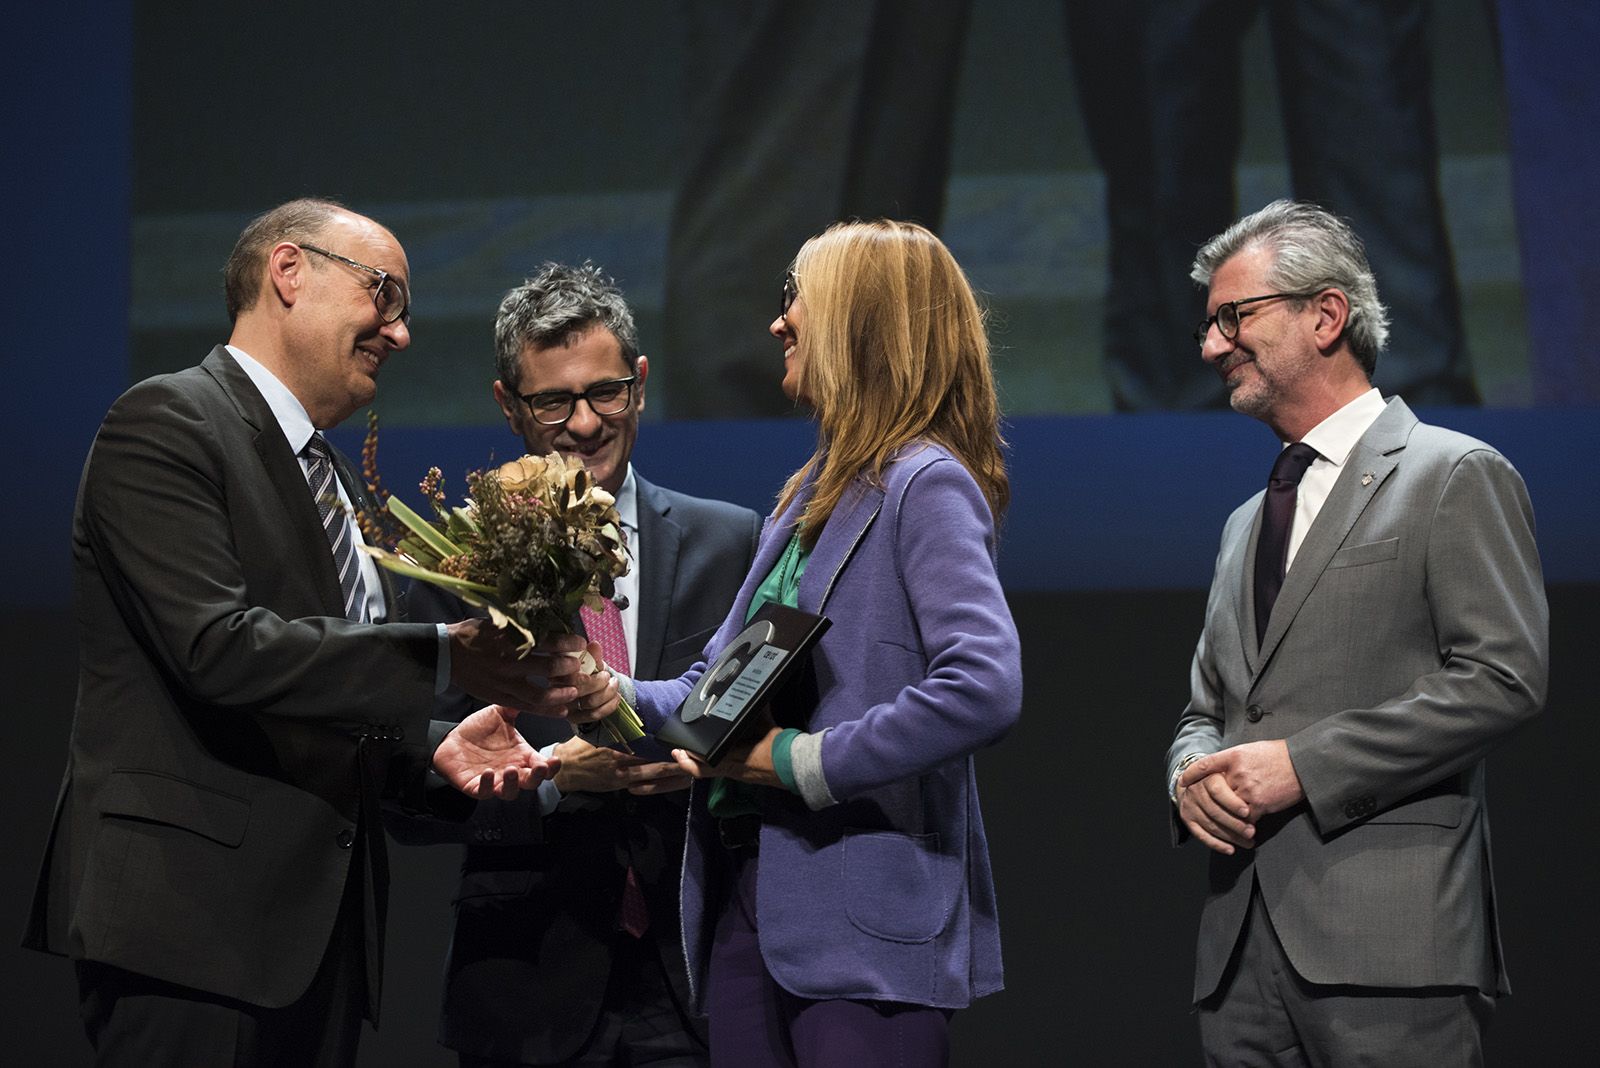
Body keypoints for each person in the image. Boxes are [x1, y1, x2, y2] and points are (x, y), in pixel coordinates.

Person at [23, 198, 617, 1067]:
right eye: (385, 294)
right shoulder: (167, 422)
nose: (401, 333)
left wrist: (432, 749)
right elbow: (219, 649)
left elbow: (325, 700)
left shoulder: (329, 475)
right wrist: (445, 656)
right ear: (288, 272)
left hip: (313, 948)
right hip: (191, 935)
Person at [629, 220, 1021, 1066]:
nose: (779, 321)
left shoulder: (925, 482)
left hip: (864, 931)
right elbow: (710, 695)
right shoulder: (812, 492)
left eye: (795, 297)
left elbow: (984, 687)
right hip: (752, 907)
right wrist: (596, 689)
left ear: (859, 321)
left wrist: (800, 762)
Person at [1166, 200, 1547, 1064]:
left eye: (1234, 317)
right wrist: (1190, 776)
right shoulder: (1242, 524)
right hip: (1239, 959)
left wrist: (1304, 765)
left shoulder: (1453, 474)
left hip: (1391, 949)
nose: (1212, 347)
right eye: (1209, 325)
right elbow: (1208, 709)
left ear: (1327, 315)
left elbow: (1503, 679)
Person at [397, 262, 762, 1067]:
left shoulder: (730, 542)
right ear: (508, 405)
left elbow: (775, 728)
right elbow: (405, 794)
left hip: (697, 981)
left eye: (606, 393)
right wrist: (553, 784)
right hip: (527, 986)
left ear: (641, 384)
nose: (587, 423)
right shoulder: (451, 567)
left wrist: (708, 768)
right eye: (554, 402)